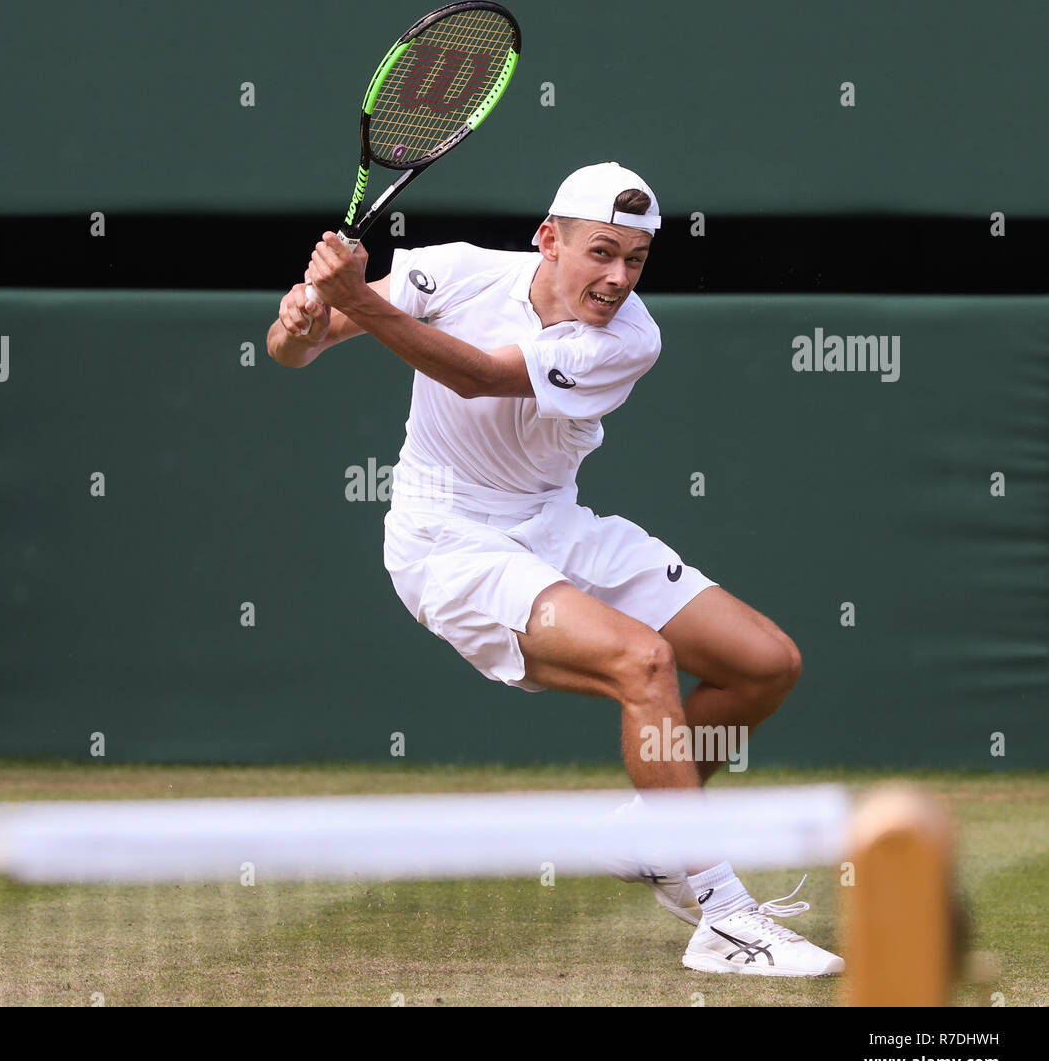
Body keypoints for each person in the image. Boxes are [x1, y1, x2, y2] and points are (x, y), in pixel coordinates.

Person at [266, 162, 842, 976]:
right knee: (643, 662)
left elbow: (478, 377)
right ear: (548, 240)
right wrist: (305, 320)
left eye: (635, 259)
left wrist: (353, 298)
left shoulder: (629, 339)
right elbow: (297, 348)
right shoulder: (456, 270)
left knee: (764, 663)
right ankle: (723, 916)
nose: (618, 278)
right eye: (601, 252)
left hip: (555, 523)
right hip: (447, 541)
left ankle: (648, 835)